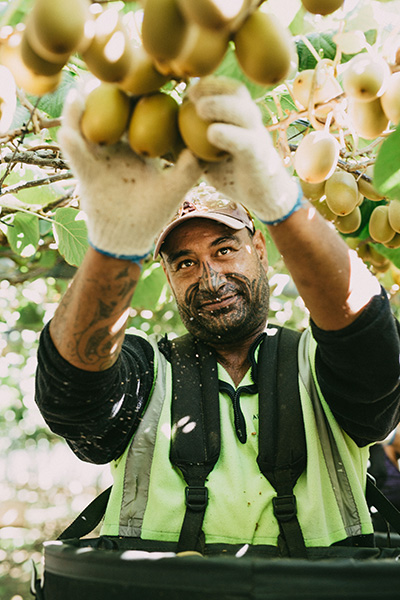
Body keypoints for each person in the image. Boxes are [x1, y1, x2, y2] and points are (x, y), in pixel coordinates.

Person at [35, 77, 400, 557]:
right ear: (166, 275)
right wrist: (115, 245)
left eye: (225, 250)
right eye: (185, 263)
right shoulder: (149, 372)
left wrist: (276, 200)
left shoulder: (315, 365)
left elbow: (370, 347)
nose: (210, 278)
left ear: (260, 250)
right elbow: (71, 397)